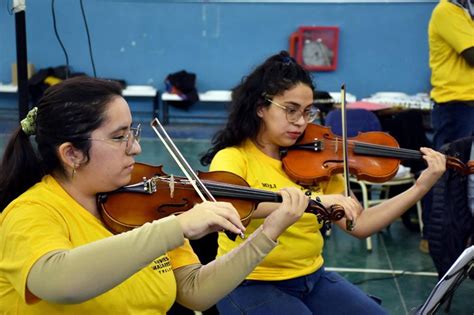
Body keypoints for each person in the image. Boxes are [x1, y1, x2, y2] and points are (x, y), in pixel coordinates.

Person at [0, 76, 313, 314]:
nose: (135, 147)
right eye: (119, 137)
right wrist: (175, 228)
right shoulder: (31, 212)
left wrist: (270, 231)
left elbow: (195, 290)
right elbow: (56, 281)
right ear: (72, 154)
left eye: (132, 133)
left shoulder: (141, 206)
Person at [200, 51, 447, 315]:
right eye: (290, 110)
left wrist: (420, 187)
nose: (300, 122)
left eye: (308, 112)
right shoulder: (234, 157)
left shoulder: (317, 161)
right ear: (261, 107)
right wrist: (315, 202)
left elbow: (360, 225)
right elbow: (231, 204)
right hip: (249, 282)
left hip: (312, 279)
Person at [429, 0, 474, 150]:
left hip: (467, 104)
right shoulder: (447, 11)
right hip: (457, 106)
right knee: (450, 168)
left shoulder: (466, 11)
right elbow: (472, 56)